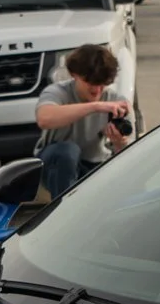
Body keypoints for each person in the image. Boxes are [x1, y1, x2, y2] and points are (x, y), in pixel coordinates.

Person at [34, 42, 134, 200]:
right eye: (91, 83)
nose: (97, 90)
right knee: (67, 152)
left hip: (95, 164)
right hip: (55, 162)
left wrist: (119, 143)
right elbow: (44, 118)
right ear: (74, 74)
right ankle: (63, 208)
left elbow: (131, 156)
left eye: (102, 84)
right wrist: (95, 106)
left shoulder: (116, 100)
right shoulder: (58, 92)